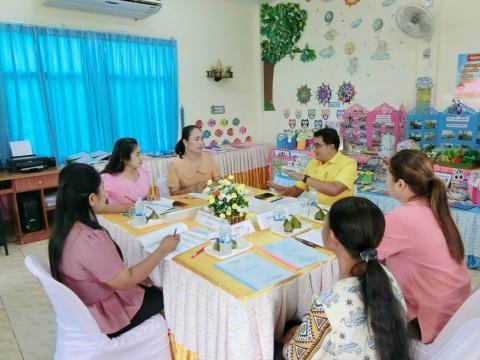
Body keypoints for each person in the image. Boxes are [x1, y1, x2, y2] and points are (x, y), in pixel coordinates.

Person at [48, 163, 180, 337]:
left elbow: (111, 273)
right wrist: (162, 250)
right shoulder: (89, 239)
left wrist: (132, 278)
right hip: (104, 314)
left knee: (146, 283)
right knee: (166, 295)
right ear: (92, 199)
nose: (106, 193)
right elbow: (126, 280)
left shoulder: (64, 229)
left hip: (85, 304)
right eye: (103, 188)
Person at [283, 197, 411, 360]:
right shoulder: (386, 275)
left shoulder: (329, 303)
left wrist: (290, 339)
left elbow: (293, 355)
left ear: (332, 237)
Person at [378, 149, 470, 344]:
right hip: (457, 311)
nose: (385, 180)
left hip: (428, 320)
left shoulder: (401, 218)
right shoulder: (442, 210)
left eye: (387, 175)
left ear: (400, 184)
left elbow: (364, 252)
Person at [270, 128, 357, 206]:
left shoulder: (349, 164)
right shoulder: (313, 162)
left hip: (339, 215)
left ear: (331, 147)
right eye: (314, 145)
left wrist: (305, 178)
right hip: (313, 211)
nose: (314, 150)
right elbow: (297, 190)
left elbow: (334, 190)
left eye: (318, 146)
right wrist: (286, 191)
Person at [100, 138, 151, 213]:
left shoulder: (143, 172)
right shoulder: (107, 178)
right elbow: (98, 208)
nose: (142, 157)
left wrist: (150, 197)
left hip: (143, 217)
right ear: (124, 158)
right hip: (119, 221)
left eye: (141, 153)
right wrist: (125, 208)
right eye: (137, 154)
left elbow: (145, 195)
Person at [168, 125, 221, 195]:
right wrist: (192, 189)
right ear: (185, 142)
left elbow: (219, 182)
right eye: (197, 139)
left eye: (202, 139)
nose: (201, 143)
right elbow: (173, 193)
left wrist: (211, 185)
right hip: (189, 204)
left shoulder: (208, 158)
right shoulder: (174, 165)